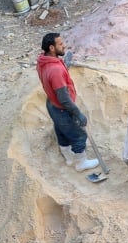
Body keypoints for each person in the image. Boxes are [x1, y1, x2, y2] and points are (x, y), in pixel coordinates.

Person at [36, 32, 99, 172]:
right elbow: (64, 98)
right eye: (60, 44)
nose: (64, 45)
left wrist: (64, 65)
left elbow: (52, 78)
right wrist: (77, 113)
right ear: (52, 48)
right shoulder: (55, 70)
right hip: (61, 108)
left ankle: (69, 158)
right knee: (78, 135)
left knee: (61, 130)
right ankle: (80, 163)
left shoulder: (42, 61)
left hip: (51, 104)